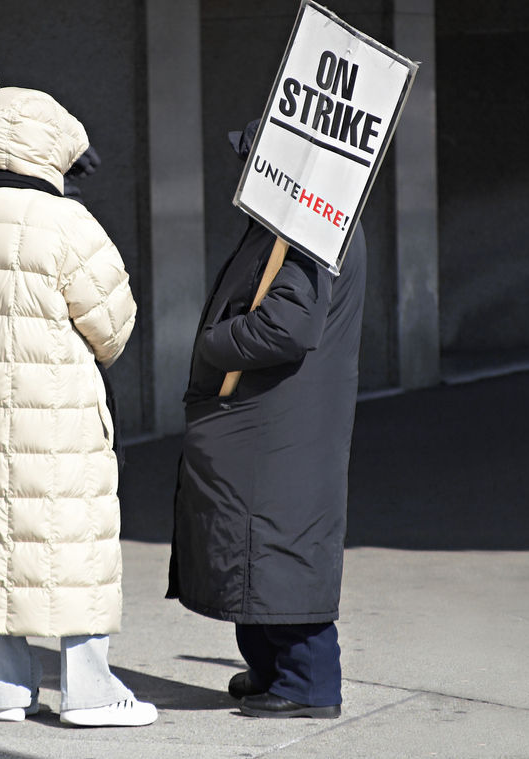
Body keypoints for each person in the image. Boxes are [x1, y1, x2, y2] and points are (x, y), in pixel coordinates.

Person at [0, 87, 156, 727]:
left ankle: (7, 689)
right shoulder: (67, 223)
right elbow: (113, 323)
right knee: (67, 542)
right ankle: (88, 690)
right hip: (60, 411)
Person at [166, 118, 367, 720]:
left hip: (276, 420)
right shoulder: (291, 222)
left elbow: (287, 325)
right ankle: (272, 669)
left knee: (275, 544)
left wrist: (212, 343)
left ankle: (306, 684)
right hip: (267, 418)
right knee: (258, 546)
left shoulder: (311, 226)